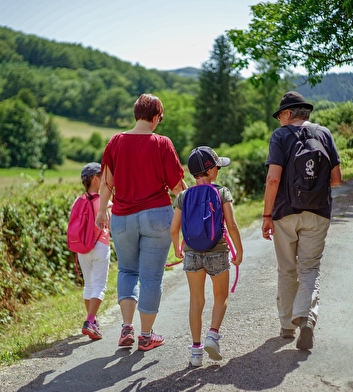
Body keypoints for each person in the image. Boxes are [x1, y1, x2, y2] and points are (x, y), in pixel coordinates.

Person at [95, 93, 186, 351]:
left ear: (136, 113)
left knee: (127, 271)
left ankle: (126, 328)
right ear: (156, 116)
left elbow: (106, 182)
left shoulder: (115, 142)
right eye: (161, 117)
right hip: (157, 216)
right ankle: (146, 335)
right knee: (151, 277)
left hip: (122, 218)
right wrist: (192, 207)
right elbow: (177, 186)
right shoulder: (162, 143)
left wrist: (102, 212)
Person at [262, 91, 342, 350]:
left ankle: (287, 326)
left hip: (285, 212)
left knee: (287, 269)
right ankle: (306, 316)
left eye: (280, 116)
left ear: (287, 114)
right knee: (309, 268)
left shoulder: (280, 136)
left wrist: (266, 215)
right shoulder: (324, 134)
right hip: (318, 212)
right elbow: (337, 179)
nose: (279, 122)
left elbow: (273, 178)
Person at [170, 146, 243, 367]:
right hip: (218, 251)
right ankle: (212, 335)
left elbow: (174, 228)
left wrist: (177, 249)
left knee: (196, 301)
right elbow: (231, 224)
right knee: (221, 296)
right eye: (217, 166)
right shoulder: (222, 192)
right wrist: (239, 250)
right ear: (210, 171)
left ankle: (196, 352)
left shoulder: (183, 196)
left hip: (192, 253)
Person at [77, 162, 112, 340]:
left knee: (89, 285)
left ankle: (92, 320)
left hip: (82, 248)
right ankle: (90, 321)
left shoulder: (78, 200)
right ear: (96, 179)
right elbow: (111, 226)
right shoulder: (104, 201)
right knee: (99, 285)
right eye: (103, 177)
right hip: (100, 245)